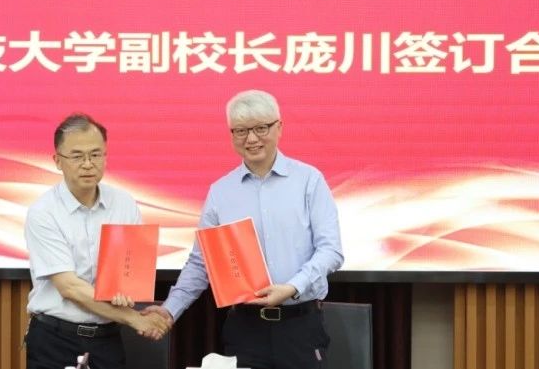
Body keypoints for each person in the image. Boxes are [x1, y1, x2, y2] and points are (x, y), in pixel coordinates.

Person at [139, 90, 344, 369]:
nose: (251, 139)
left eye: (261, 128)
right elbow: (201, 262)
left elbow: (331, 251)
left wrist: (292, 288)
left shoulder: (309, 180)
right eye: (241, 131)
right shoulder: (221, 192)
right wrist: (169, 310)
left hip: (300, 326)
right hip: (245, 329)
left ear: (279, 127)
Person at [24, 113, 169, 369]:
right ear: (57, 161)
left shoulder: (124, 204)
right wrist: (135, 318)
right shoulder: (43, 212)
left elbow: (129, 275)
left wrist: (126, 293)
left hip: (107, 340)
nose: (88, 164)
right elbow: (70, 287)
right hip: (55, 340)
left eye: (95, 154)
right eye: (77, 156)